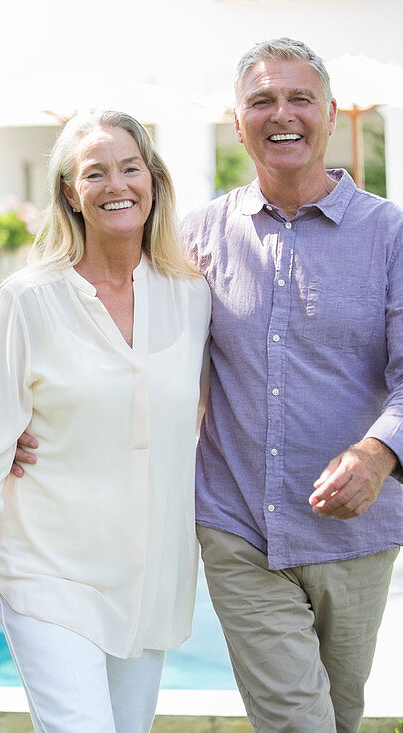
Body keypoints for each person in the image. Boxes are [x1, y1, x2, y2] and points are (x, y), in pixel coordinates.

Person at [0, 111, 211, 732]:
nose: (116, 184)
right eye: (95, 173)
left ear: (154, 180)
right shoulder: (28, 299)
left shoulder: (192, 295)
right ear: (70, 192)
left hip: (150, 579)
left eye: (129, 168)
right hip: (48, 570)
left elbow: (200, 415)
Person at [182, 38, 403, 732]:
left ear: (330, 115)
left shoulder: (390, 234)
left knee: (338, 715)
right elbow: (135, 355)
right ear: (238, 120)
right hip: (238, 525)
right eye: (263, 100)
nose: (283, 113)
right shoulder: (196, 236)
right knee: (298, 723)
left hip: (356, 536)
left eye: (300, 97)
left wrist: (378, 454)